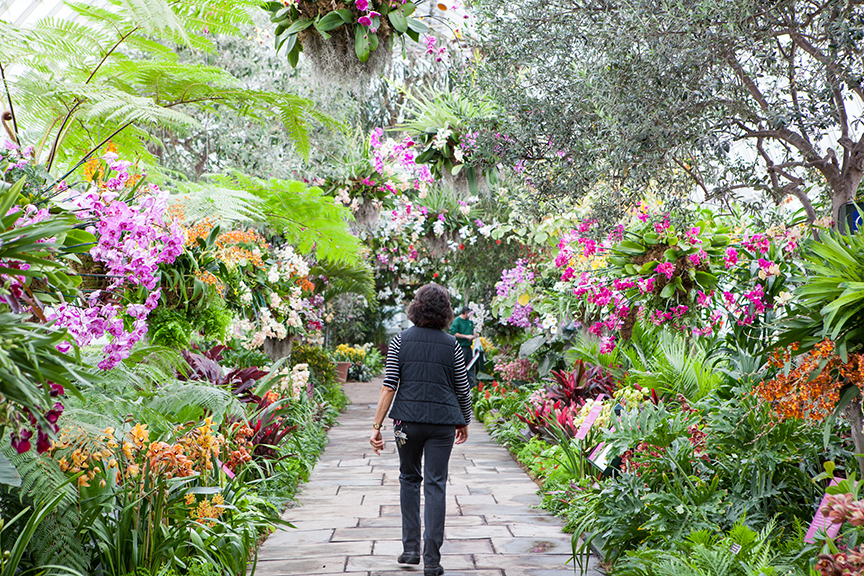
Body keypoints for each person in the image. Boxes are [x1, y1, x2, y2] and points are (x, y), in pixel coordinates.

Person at [369, 283, 472, 576]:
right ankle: (432, 561)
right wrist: (464, 420)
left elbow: (389, 387)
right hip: (442, 424)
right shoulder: (452, 344)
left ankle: (411, 549)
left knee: (409, 478)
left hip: (406, 423)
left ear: (416, 307)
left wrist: (376, 427)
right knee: (436, 484)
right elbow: (462, 389)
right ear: (446, 311)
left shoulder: (400, 340)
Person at [449, 306, 477, 387]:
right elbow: (454, 333)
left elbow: (471, 330)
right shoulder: (457, 321)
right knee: (461, 368)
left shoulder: (470, 321)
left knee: (470, 367)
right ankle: (460, 386)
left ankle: (472, 386)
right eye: (469, 313)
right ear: (465, 312)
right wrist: (466, 336)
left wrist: (474, 334)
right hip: (460, 347)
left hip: (469, 347)